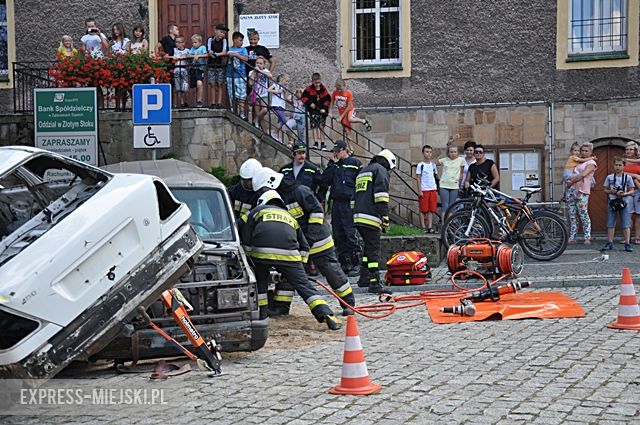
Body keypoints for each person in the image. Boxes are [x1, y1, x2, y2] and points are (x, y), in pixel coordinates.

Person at [252, 167, 356, 317]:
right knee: (288, 272)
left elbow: (317, 212)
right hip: (298, 243)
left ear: (271, 182)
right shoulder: (277, 197)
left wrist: (309, 239)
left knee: (330, 270)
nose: (262, 194)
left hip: (319, 241)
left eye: (262, 190)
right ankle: (281, 306)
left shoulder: (300, 191)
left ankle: (348, 303)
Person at [239, 189, 342, 330]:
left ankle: (262, 316)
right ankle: (328, 315)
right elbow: (304, 246)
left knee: (260, 283)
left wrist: (249, 261)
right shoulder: (290, 217)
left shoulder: (257, 211)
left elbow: (245, 236)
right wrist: (298, 268)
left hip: (261, 254)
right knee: (304, 286)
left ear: (262, 202)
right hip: (290, 255)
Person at [353, 149, 397, 294]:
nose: (389, 172)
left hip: (358, 217)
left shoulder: (363, 171)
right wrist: (384, 217)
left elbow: (356, 197)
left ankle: (363, 278)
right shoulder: (380, 170)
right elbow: (381, 196)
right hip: (371, 217)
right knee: (373, 250)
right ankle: (374, 283)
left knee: (367, 248)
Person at [322, 140, 362, 276]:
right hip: (337, 202)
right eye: (335, 151)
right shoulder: (334, 165)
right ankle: (345, 264)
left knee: (350, 233)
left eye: (338, 151)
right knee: (338, 234)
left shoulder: (355, 163)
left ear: (345, 150)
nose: (336, 153)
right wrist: (331, 165)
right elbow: (325, 181)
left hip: (349, 202)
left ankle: (356, 263)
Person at [601, 157, 635, 252]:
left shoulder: (628, 177)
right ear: (613, 165)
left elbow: (632, 190)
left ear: (624, 166)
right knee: (610, 223)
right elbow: (604, 189)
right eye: (616, 165)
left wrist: (624, 194)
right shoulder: (609, 177)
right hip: (612, 202)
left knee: (626, 224)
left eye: (620, 165)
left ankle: (627, 243)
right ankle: (610, 242)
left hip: (624, 202)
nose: (618, 167)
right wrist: (611, 191)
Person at [566, 143, 597, 244]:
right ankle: (572, 236)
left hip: (582, 191)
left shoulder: (591, 163)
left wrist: (572, 181)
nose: (584, 152)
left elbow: (583, 174)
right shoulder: (578, 161)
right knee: (572, 214)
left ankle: (587, 236)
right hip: (571, 190)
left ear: (591, 152)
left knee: (583, 214)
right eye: (582, 150)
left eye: (586, 151)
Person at [329, 78, 371, 150]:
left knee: (350, 118)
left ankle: (363, 121)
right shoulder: (335, 93)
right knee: (347, 131)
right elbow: (332, 102)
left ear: (344, 86)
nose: (339, 91)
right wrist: (330, 111)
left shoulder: (348, 93)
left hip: (349, 110)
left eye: (340, 89)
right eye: (338, 89)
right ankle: (351, 148)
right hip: (342, 113)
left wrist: (341, 117)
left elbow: (349, 106)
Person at [245, 31, 276, 120]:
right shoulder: (246, 49)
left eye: (255, 39)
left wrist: (267, 72)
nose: (253, 41)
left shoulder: (262, 49)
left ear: (258, 39)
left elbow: (273, 61)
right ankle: (248, 121)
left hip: (260, 81)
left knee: (262, 106)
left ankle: (256, 121)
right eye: (251, 39)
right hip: (250, 77)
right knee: (249, 101)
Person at [435, 139, 465, 217]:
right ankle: (444, 225)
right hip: (444, 185)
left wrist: (459, 185)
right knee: (445, 205)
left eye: (455, 152)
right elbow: (433, 163)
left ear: (457, 152)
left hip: (454, 186)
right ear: (448, 153)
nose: (453, 153)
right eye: (451, 152)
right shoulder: (444, 160)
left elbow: (461, 174)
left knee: (452, 206)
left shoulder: (461, 160)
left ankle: (449, 225)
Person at [301, 73, 331, 151]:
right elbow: (303, 97)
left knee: (321, 126)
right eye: (316, 83)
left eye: (319, 83)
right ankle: (316, 143)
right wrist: (310, 103)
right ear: (312, 82)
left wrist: (324, 108)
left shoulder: (323, 89)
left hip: (321, 111)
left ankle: (323, 144)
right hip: (313, 111)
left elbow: (327, 100)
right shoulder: (309, 89)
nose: (318, 85)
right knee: (314, 126)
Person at [416, 145, 438, 233]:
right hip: (424, 189)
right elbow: (418, 178)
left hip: (432, 188)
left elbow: (435, 176)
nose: (428, 154)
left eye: (430, 152)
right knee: (423, 209)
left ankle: (430, 227)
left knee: (431, 209)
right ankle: (423, 227)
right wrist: (419, 190)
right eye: (427, 152)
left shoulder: (433, 165)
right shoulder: (420, 165)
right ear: (423, 153)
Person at [226, 32, 249, 119]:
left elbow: (246, 59)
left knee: (241, 95)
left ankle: (242, 112)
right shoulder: (228, 49)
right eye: (240, 40)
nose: (241, 42)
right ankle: (233, 111)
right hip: (230, 75)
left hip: (241, 75)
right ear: (234, 40)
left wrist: (236, 55)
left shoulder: (243, 50)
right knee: (231, 94)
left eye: (242, 40)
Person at [206, 23, 228, 107]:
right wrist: (212, 53)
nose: (222, 34)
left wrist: (216, 54)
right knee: (212, 84)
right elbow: (209, 51)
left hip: (220, 64)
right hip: (211, 64)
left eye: (224, 33)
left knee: (220, 84)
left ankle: (219, 102)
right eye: (221, 32)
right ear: (216, 31)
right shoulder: (210, 40)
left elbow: (224, 52)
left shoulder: (224, 41)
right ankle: (213, 102)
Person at [248, 56, 272, 131]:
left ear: (264, 65)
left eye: (260, 63)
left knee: (265, 109)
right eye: (257, 63)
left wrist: (260, 71)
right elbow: (250, 83)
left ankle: (256, 119)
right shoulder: (251, 72)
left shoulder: (266, 71)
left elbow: (270, 75)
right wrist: (255, 72)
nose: (258, 65)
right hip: (255, 94)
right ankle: (265, 133)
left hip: (264, 94)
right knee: (260, 116)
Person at [623, 141, 640, 245]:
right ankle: (627, 238)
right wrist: (635, 175)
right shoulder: (624, 161)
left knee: (639, 215)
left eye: (631, 149)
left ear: (635, 151)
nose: (628, 151)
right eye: (627, 149)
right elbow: (620, 172)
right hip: (627, 191)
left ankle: (638, 237)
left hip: (638, 191)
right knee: (627, 214)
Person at [268, 74, 291, 143]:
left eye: (288, 81)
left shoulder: (284, 87)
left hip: (282, 105)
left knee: (280, 121)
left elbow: (285, 96)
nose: (287, 83)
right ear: (281, 80)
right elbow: (269, 90)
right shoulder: (276, 85)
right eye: (286, 81)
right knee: (284, 120)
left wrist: (285, 90)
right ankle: (274, 132)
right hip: (276, 104)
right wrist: (277, 91)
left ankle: (278, 136)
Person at [188, 34, 207, 108]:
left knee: (199, 83)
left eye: (195, 42)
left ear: (200, 42)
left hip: (200, 69)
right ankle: (192, 102)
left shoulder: (203, 47)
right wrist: (194, 56)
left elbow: (206, 55)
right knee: (192, 87)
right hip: (193, 69)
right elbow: (188, 55)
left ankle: (199, 100)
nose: (193, 44)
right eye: (193, 42)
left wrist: (199, 56)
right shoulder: (192, 49)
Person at [171, 36, 189, 108]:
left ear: (183, 43)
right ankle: (181, 102)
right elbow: (170, 56)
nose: (177, 44)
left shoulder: (187, 50)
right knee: (178, 87)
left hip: (184, 69)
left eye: (179, 42)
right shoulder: (174, 50)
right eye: (176, 42)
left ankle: (185, 100)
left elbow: (189, 57)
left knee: (185, 87)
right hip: (177, 69)